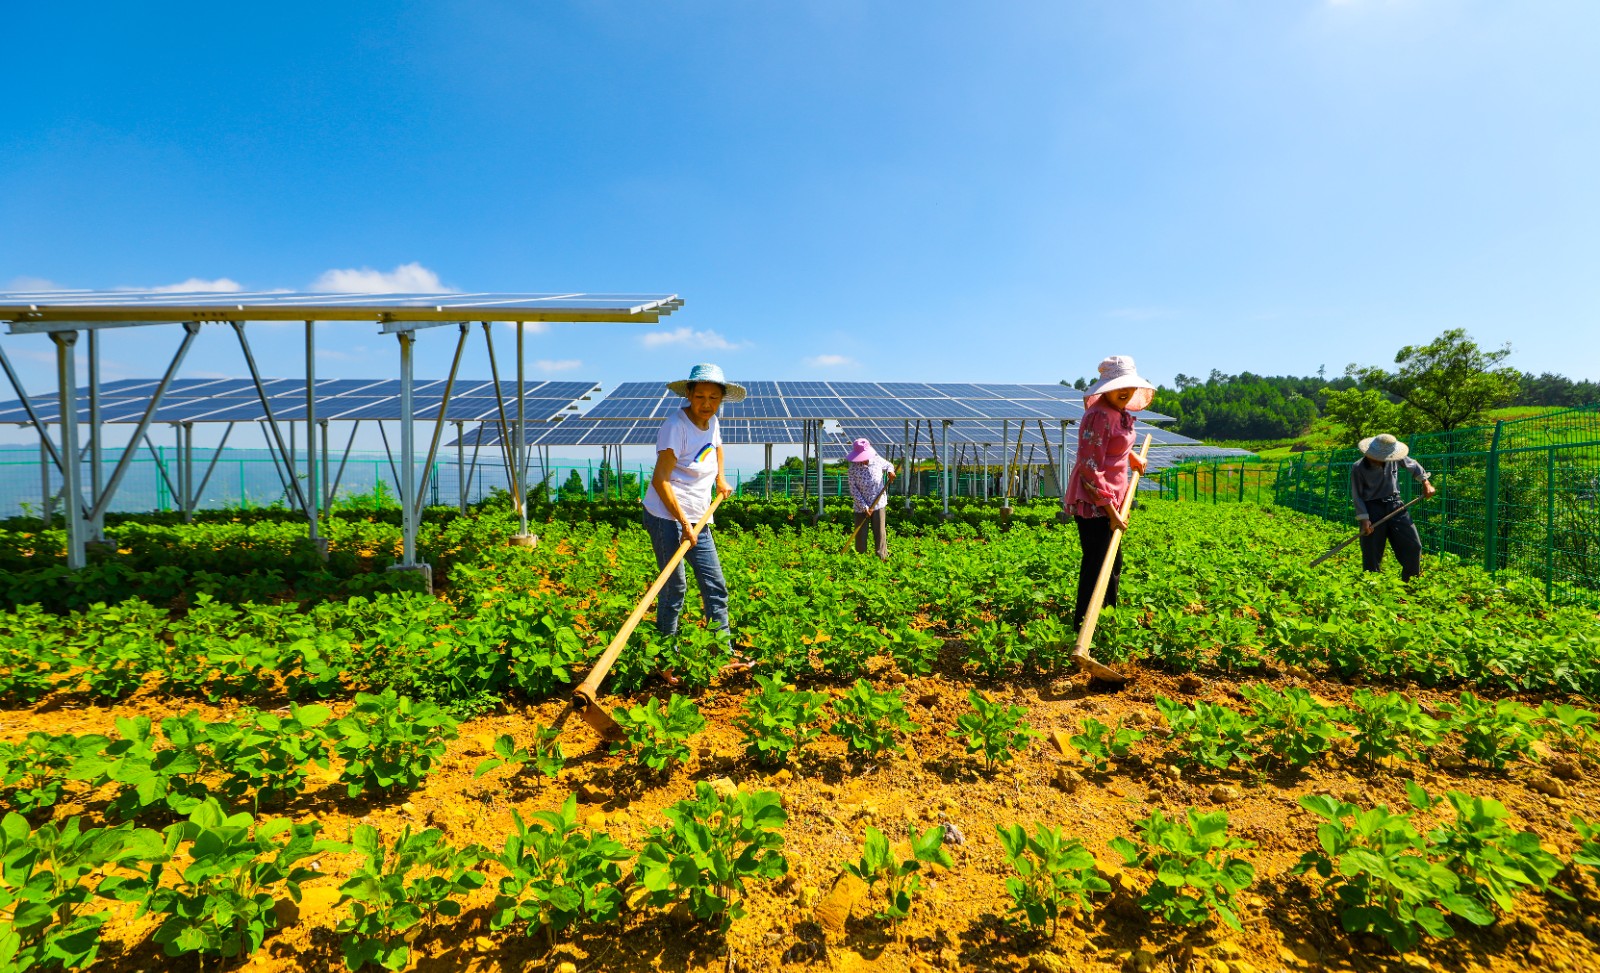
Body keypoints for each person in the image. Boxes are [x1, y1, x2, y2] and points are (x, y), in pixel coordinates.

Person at [642, 363, 744, 683]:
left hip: (698, 516)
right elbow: (661, 479)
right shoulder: (675, 427)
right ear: (688, 394)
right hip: (666, 515)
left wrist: (722, 480)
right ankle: (664, 659)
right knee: (674, 588)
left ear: (720, 400)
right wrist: (683, 521)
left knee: (715, 585)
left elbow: (716, 449)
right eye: (700, 396)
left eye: (714, 397)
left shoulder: (712, 422)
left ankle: (722, 653)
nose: (706, 403)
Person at [1063, 355, 1155, 680]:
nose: (1126, 392)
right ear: (1107, 388)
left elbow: (1111, 448)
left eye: (1129, 387)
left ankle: (1103, 626)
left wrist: (1131, 457)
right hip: (1095, 502)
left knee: (1112, 565)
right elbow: (1089, 466)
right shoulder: (1098, 416)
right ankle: (1085, 631)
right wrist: (1110, 511)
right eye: (1120, 388)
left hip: (1112, 499)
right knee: (1098, 567)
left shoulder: (1117, 414)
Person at [1351, 433, 1437, 582]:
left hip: (1395, 505)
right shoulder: (1358, 468)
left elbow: (1413, 465)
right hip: (1371, 510)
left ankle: (1410, 585)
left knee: (1413, 546)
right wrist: (1364, 519)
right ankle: (1371, 589)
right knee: (1371, 553)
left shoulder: (1393, 457)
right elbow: (1357, 495)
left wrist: (1426, 483)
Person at [845, 439, 897, 560]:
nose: (862, 460)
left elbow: (889, 465)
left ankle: (882, 557)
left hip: (878, 503)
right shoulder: (853, 469)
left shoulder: (877, 460)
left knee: (879, 532)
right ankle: (860, 559)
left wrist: (890, 472)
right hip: (861, 506)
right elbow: (854, 490)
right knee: (860, 534)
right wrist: (864, 507)